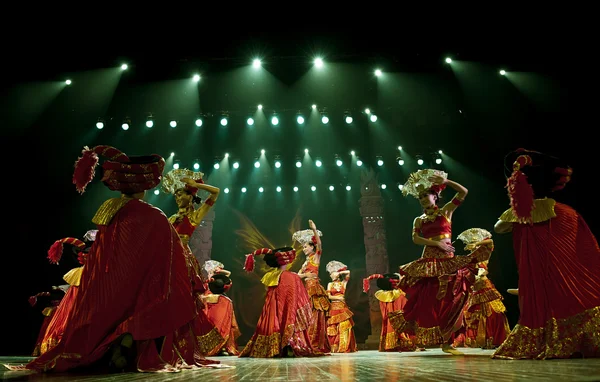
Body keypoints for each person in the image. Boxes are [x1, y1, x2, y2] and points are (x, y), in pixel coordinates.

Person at [24, 145, 198, 373]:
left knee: (107, 310)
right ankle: (126, 340)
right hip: (139, 281)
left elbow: (101, 250)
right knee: (147, 302)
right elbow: (166, 255)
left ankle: (106, 347)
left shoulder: (109, 207)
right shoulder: (155, 215)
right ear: (144, 186)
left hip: (107, 279)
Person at [492, 149, 600, 359]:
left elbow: (499, 228)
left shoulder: (523, 213)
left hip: (541, 278)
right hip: (565, 277)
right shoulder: (566, 212)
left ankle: (554, 338)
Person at [395, 169, 490, 355]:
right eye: (420, 196)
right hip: (430, 259)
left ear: (435, 195)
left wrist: (446, 181)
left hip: (447, 260)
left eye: (426, 195)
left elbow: (463, 192)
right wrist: (436, 243)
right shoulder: (419, 220)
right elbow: (415, 239)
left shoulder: (446, 211)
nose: (422, 198)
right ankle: (424, 337)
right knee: (428, 299)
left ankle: (448, 341)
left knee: (451, 298)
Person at [239, 247, 326, 358]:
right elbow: (296, 297)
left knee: (272, 323)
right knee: (289, 320)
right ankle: (288, 344)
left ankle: (272, 346)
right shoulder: (292, 276)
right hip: (289, 308)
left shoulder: (269, 276)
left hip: (272, 309)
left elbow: (268, 292)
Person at [456, 228, 510, 349]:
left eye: (474, 243)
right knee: (473, 315)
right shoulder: (468, 259)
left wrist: (477, 244)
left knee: (493, 312)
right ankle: (480, 339)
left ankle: (495, 338)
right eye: (471, 244)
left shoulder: (484, 256)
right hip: (474, 289)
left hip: (485, 287)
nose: (473, 247)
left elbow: (490, 242)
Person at [294, 220, 331, 353]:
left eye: (305, 246)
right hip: (306, 289)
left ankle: (315, 342)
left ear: (311, 247)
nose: (303, 248)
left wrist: (314, 229)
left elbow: (320, 245)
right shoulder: (304, 263)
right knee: (306, 315)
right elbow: (298, 276)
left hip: (314, 288)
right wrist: (302, 275)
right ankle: (306, 341)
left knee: (316, 314)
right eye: (303, 247)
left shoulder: (315, 257)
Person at [363, 273, 417, 352]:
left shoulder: (383, 296)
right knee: (401, 326)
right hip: (399, 318)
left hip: (390, 319)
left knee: (390, 325)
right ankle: (404, 344)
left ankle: (391, 344)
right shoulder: (399, 295)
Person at [200, 273, 241, 356]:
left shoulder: (204, 298)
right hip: (221, 325)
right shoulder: (227, 301)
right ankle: (222, 347)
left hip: (209, 324)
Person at [325, 261, 357, 353]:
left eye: (332, 273)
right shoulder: (330, 284)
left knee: (344, 327)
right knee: (333, 328)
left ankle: (344, 347)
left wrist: (339, 272)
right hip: (334, 308)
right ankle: (334, 348)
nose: (330, 275)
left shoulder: (343, 283)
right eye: (330, 274)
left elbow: (349, 272)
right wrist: (339, 298)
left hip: (343, 308)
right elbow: (329, 297)